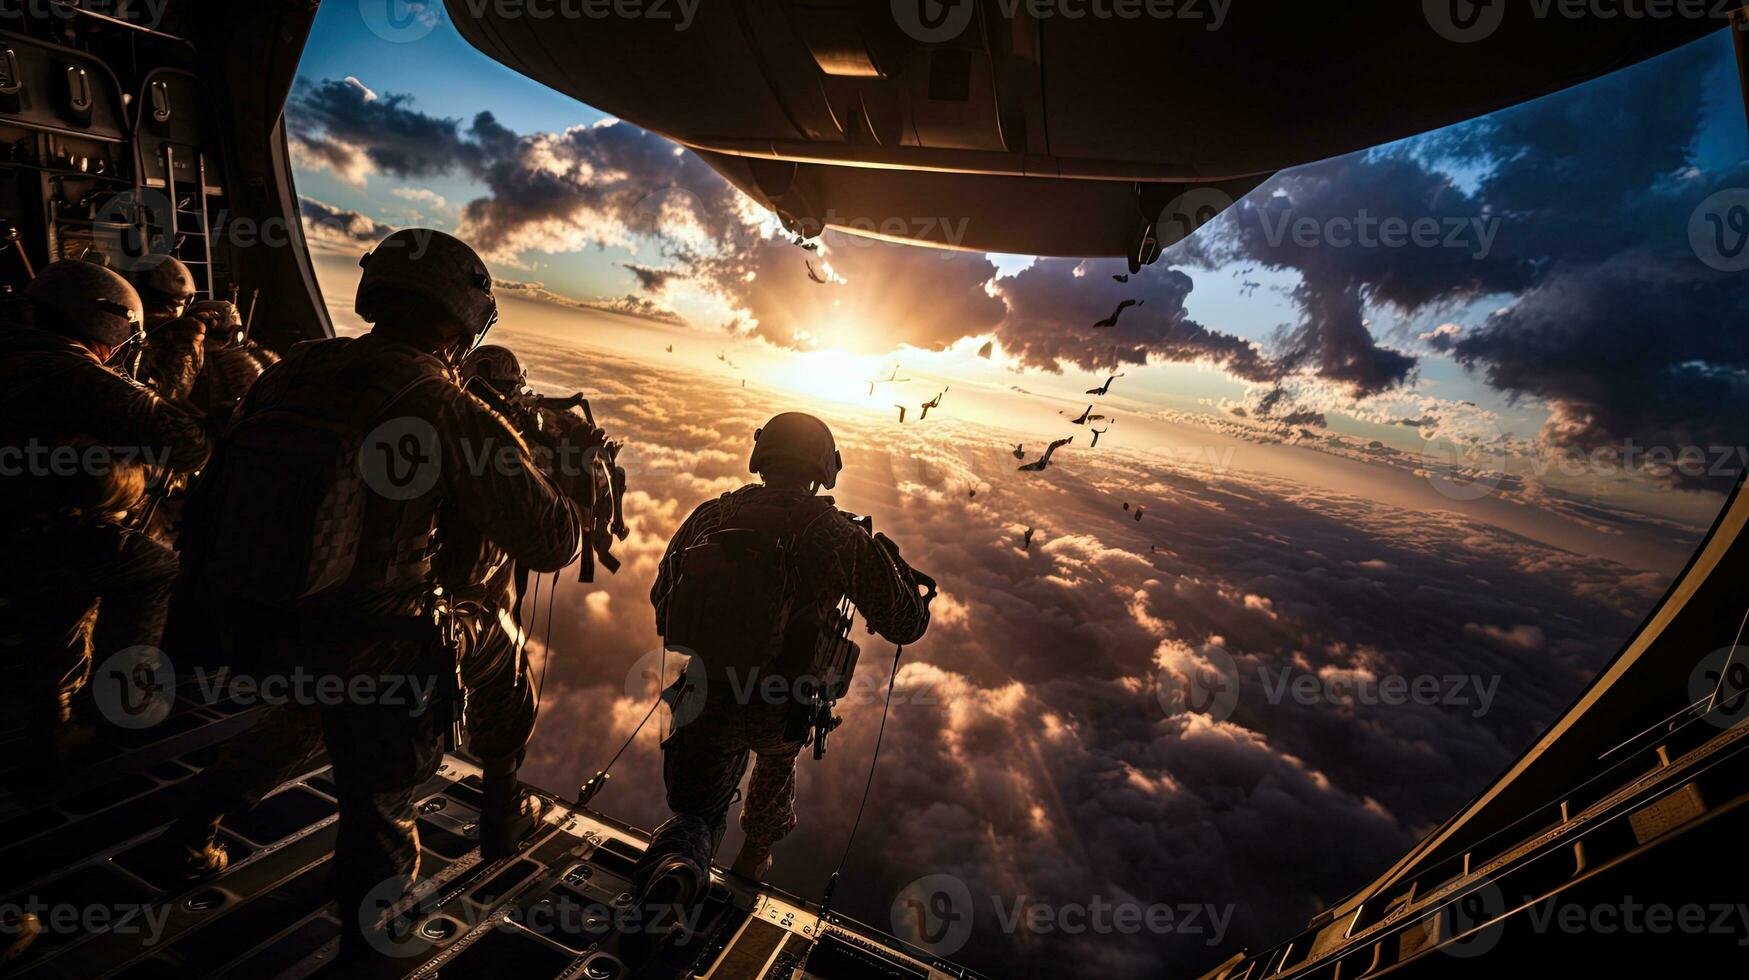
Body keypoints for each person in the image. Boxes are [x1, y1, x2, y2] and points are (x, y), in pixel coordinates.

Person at [169, 230, 588, 961]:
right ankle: (486, 816)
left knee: (311, 707)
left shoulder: (295, 368)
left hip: (253, 626)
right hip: (368, 645)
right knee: (483, 658)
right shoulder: (440, 404)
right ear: (463, 319)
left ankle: (192, 828)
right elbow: (552, 542)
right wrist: (567, 472)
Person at [636, 412, 933, 914]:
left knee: (693, 816)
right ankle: (748, 875)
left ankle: (680, 869)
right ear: (823, 469)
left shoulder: (712, 515)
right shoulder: (838, 535)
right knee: (774, 772)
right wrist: (886, 559)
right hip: (782, 710)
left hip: (705, 697)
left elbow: (664, 604)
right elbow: (907, 623)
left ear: (762, 456)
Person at [0, 260, 210, 780]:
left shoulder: (15, 350)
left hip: (19, 526)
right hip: (27, 534)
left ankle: (53, 724)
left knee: (68, 586)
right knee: (151, 565)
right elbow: (186, 443)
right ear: (109, 325)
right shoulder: (70, 369)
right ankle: (124, 703)